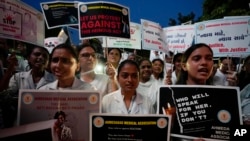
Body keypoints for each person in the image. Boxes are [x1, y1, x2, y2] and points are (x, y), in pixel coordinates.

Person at [0, 45, 55, 128]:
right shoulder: (18, 77)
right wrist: (9, 70)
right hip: (22, 124)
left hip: (45, 124)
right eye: (37, 54)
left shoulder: (55, 80)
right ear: (29, 58)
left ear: (48, 62)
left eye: (45, 56)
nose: (41, 57)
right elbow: (3, 94)